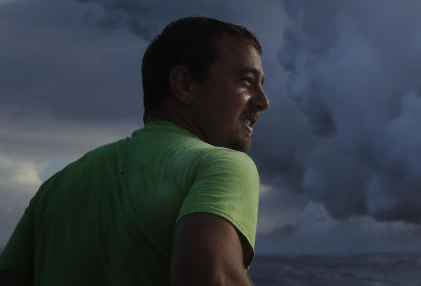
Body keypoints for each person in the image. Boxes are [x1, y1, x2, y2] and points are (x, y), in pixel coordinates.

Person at [0, 16, 270, 285]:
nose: (263, 101)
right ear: (184, 85)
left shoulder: (55, 188)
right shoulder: (221, 166)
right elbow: (208, 276)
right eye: (247, 81)